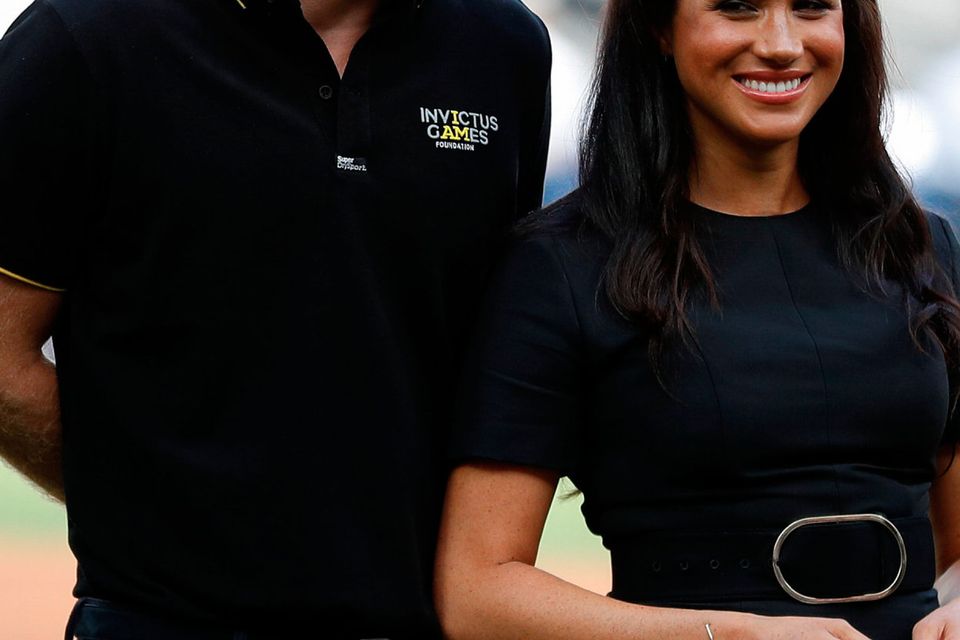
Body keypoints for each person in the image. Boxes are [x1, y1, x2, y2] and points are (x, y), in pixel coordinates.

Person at [0, 0, 551, 637]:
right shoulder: (84, 34)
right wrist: (146, 507)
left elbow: (493, 353)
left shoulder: (505, 45)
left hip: (415, 624)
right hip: (161, 622)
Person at [435, 0, 960, 639]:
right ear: (659, 27)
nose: (781, 44)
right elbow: (476, 591)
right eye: (737, 9)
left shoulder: (923, 247)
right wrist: (731, 635)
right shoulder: (563, 265)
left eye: (812, 8)